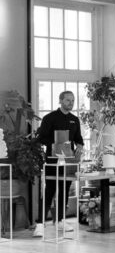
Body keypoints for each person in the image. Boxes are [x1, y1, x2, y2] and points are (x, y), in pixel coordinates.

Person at [34, 90, 84, 237]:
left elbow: (79, 139)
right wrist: (58, 144)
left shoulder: (75, 119)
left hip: (69, 161)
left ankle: (61, 220)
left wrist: (79, 146)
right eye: (68, 100)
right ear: (60, 100)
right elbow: (42, 138)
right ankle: (40, 224)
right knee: (49, 191)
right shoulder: (50, 118)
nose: (71, 103)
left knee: (64, 190)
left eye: (73, 100)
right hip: (52, 161)